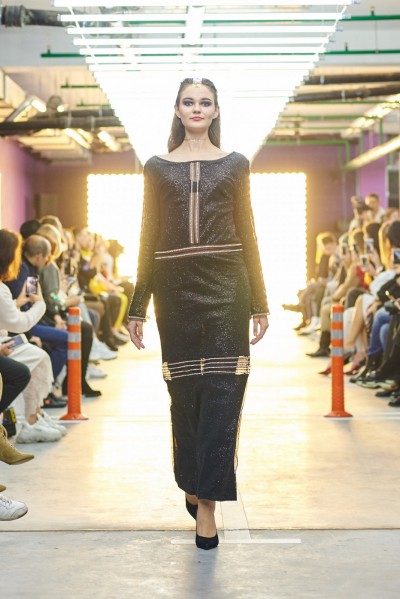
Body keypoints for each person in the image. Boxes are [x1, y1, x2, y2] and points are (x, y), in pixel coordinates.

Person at [127, 77, 269, 550]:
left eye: (205, 102)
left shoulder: (235, 164)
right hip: (175, 291)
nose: (196, 108)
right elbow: (147, 235)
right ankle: (193, 477)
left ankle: (206, 504)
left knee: (225, 394)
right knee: (185, 395)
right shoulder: (155, 167)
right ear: (177, 109)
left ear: (215, 111)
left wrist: (260, 301)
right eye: (188, 101)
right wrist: (137, 305)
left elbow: (248, 231)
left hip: (228, 287)